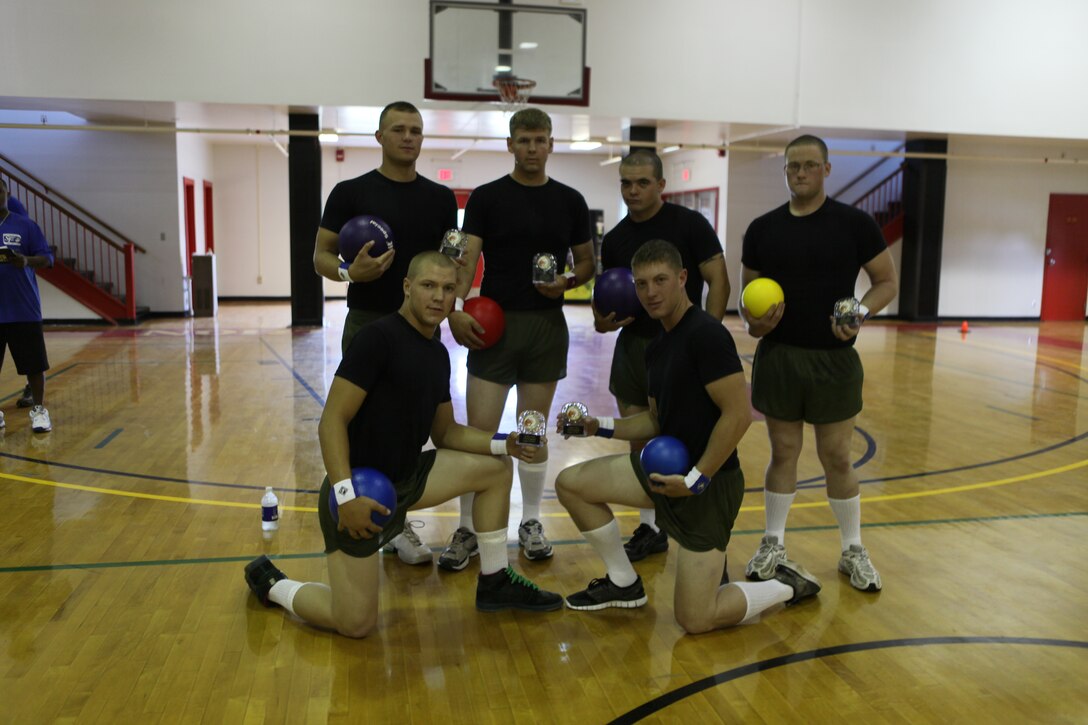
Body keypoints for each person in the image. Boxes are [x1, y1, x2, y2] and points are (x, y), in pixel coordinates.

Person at [244, 252, 562, 638]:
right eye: (428, 286)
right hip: (360, 492)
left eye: (448, 289)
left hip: (409, 479)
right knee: (355, 624)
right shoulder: (377, 339)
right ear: (408, 287)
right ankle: (274, 585)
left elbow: (446, 434)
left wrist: (504, 443)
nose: (439, 297)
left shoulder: (437, 353)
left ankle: (494, 581)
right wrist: (345, 497)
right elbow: (332, 421)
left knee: (495, 469)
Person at [553, 240, 820, 632]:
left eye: (660, 280)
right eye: (642, 284)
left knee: (696, 619)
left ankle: (785, 585)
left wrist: (696, 480)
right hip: (665, 473)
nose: (650, 292)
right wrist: (597, 426)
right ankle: (624, 583)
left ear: (682, 279)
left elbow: (739, 415)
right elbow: (655, 423)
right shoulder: (658, 346)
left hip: (708, 486)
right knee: (571, 484)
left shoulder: (706, 336)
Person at [739, 134, 898, 592]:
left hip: (834, 360)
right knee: (783, 452)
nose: (801, 173)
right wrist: (757, 326)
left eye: (810, 165)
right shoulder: (763, 229)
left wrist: (860, 312)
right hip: (780, 357)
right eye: (793, 167)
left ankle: (852, 549)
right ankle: (773, 542)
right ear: (785, 171)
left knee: (836, 457)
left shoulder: (855, 224)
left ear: (827, 170)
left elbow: (886, 281)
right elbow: (750, 306)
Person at [443, 108, 595, 570]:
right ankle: (468, 527)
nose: (532, 148)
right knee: (477, 434)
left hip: (546, 328)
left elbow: (587, 263)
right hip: (492, 326)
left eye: (540, 140)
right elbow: (465, 261)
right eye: (524, 140)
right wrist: (454, 308)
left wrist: (567, 285)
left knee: (532, 429)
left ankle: (531, 522)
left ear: (551, 144)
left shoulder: (571, 200)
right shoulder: (487, 198)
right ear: (510, 144)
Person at [312, 100, 458, 567]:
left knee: (410, 427)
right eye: (398, 129)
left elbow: (448, 263)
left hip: (421, 330)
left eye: (416, 130)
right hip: (368, 323)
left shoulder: (439, 199)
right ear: (379, 137)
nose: (408, 137)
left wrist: (452, 310)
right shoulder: (350, 191)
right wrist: (348, 272)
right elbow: (319, 256)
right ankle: (357, 504)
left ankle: (398, 522)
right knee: (360, 426)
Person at [595, 149, 730, 562]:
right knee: (640, 439)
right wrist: (604, 323)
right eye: (626, 183)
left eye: (642, 183)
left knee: (686, 432)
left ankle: (694, 515)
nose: (633, 190)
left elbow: (718, 278)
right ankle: (650, 527)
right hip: (636, 347)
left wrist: (707, 332)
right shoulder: (616, 238)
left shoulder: (689, 224)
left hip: (683, 343)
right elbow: (606, 306)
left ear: (661, 185)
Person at [0, 179, 54, 434]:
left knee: (34, 365)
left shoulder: (25, 225)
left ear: (7, 193)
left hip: (23, 308)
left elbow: (47, 258)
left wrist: (26, 260)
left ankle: (40, 411)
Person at [5, 195, 37, 409]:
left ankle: (32, 389)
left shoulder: (11, 205)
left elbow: (24, 242)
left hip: (15, 293)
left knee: (29, 352)